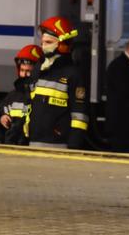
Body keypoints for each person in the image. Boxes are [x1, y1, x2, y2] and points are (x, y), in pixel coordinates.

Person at [26, 16, 89, 149]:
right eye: (42, 42)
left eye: (48, 42)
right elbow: (29, 103)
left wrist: (73, 145)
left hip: (59, 144)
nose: (43, 46)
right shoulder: (38, 69)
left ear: (62, 44)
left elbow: (79, 115)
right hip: (34, 141)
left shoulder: (73, 74)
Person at [0, 44, 43, 145]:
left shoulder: (40, 95)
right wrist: (1, 118)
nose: (24, 75)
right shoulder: (13, 95)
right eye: (22, 70)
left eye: (28, 71)